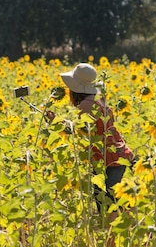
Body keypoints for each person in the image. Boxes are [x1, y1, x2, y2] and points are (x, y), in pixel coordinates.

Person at [47, 63, 135, 216]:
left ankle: (128, 225)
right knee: (109, 200)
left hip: (109, 159)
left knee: (107, 204)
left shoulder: (86, 105)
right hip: (115, 155)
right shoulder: (97, 99)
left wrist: (55, 122)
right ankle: (125, 226)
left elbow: (76, 131)